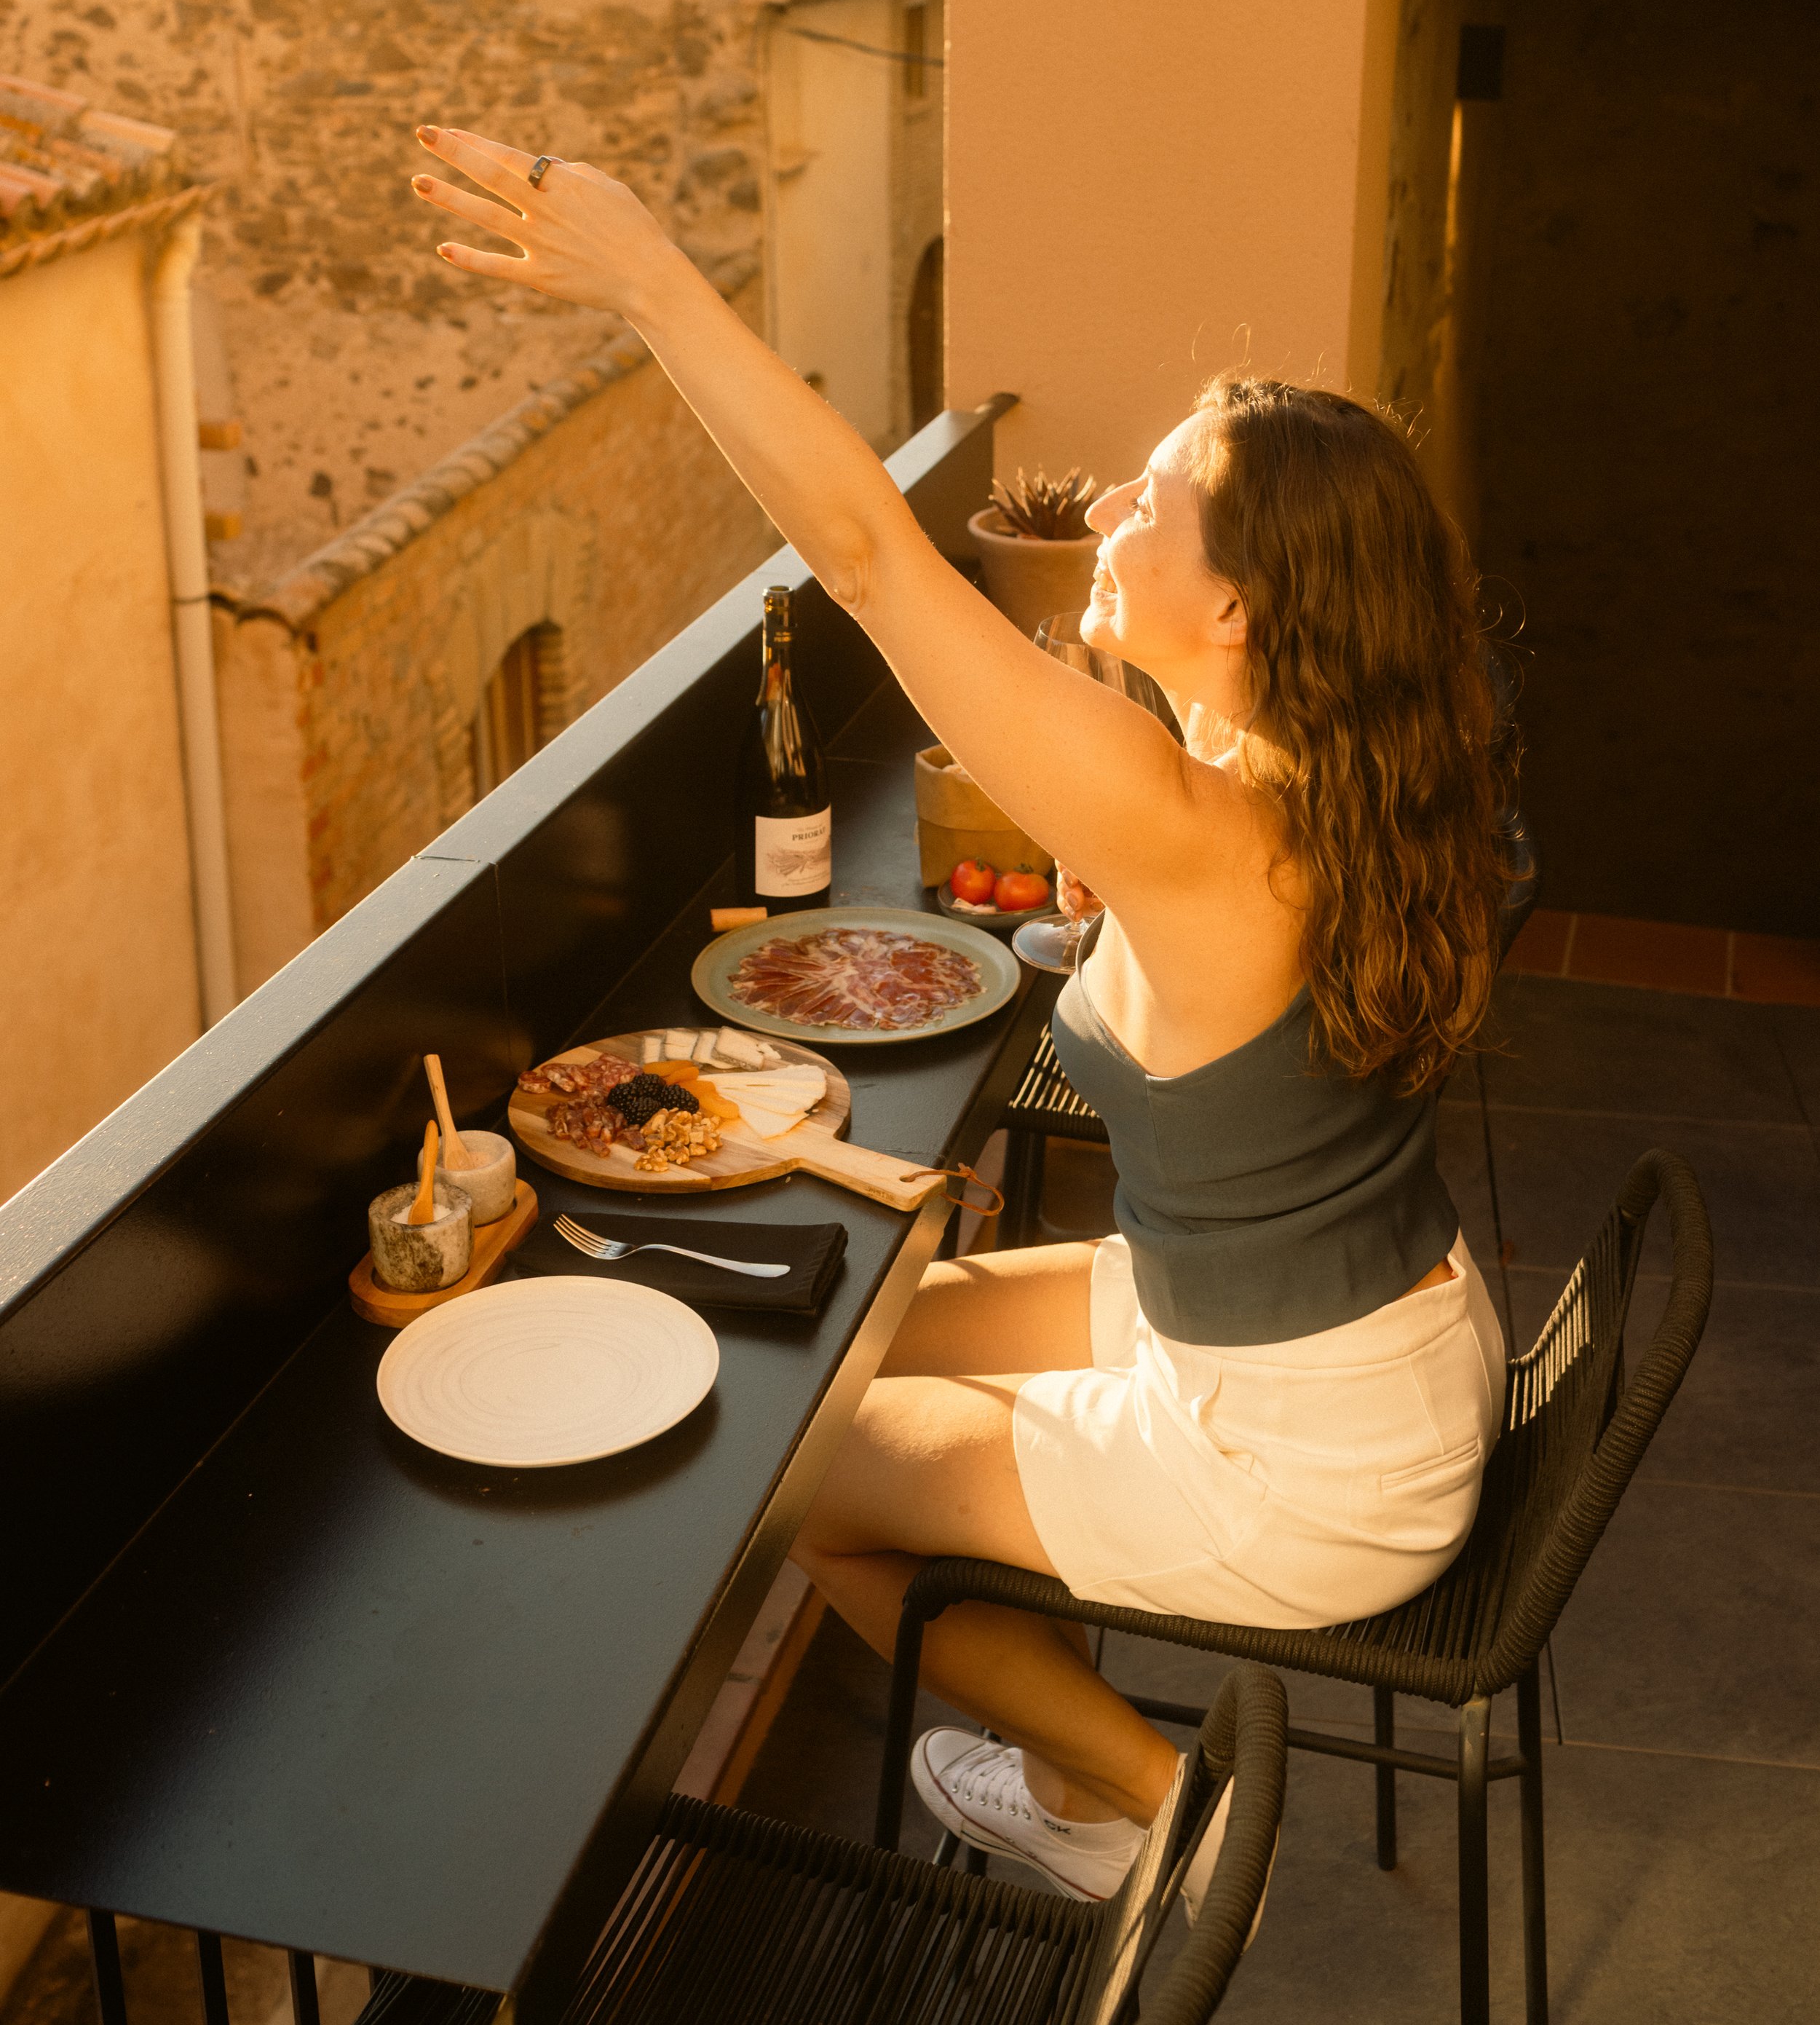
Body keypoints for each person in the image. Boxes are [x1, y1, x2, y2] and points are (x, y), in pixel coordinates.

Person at [411, 130, 1511, 1902]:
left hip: (1301, 1458)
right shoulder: (1315, 781)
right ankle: (1094, 1794)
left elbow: (862, 550)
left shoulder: (1193, 818)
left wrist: (647, 282)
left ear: (1231, 605)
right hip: (1356, 1338)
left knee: (791, 1473)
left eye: (1151, 504)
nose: (1109, 513)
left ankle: (1164, 1809)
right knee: (861, 1329)